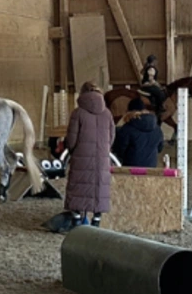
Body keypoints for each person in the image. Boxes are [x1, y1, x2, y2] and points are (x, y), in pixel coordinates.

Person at [64, 81, 114, 226]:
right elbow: (111, 137)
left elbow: (72, 139)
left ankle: (76, 220)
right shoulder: (107, 113)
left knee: (78, 186)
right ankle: (96, 220)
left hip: (81, 156)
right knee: (100, 186)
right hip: (102, 157)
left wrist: (71, 149)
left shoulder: (78, 113)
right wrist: (104, 149)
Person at [112, 95, 163, 169]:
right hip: (151, 168)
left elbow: (119, 149)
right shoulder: (157, 129)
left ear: (129, 112)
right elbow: (160, 148)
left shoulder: (127, 128)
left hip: (131, 168)